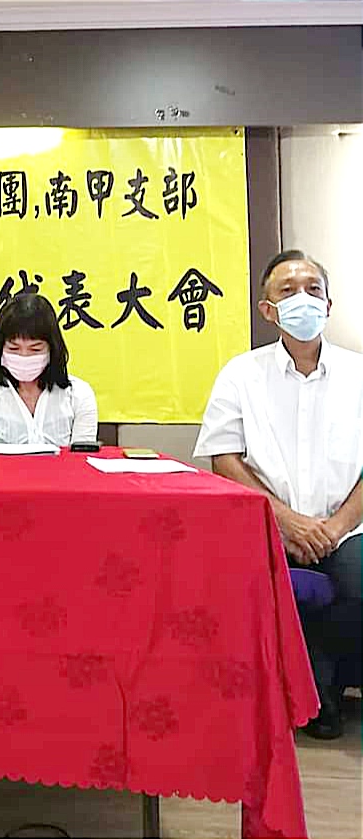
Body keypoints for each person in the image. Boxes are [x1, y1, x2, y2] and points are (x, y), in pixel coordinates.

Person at [193, 249, 362, 740]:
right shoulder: (240, 374)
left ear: (328, 305)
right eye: (288, 291)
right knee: (234, 584)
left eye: (313, 289)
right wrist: (287, 521)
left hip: (348, 529)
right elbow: (224, 458)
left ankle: (323, 682)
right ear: (268, 310)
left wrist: (333, 528)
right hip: (267, 525)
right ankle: (299, 691)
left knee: (358, 583)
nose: (302, 299)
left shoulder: (358, 374)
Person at [0, 293, 98, 447]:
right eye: (14, 349)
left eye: (35, 349)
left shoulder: (79, 395)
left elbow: (82, 457)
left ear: (52, 349)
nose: (24, 356)